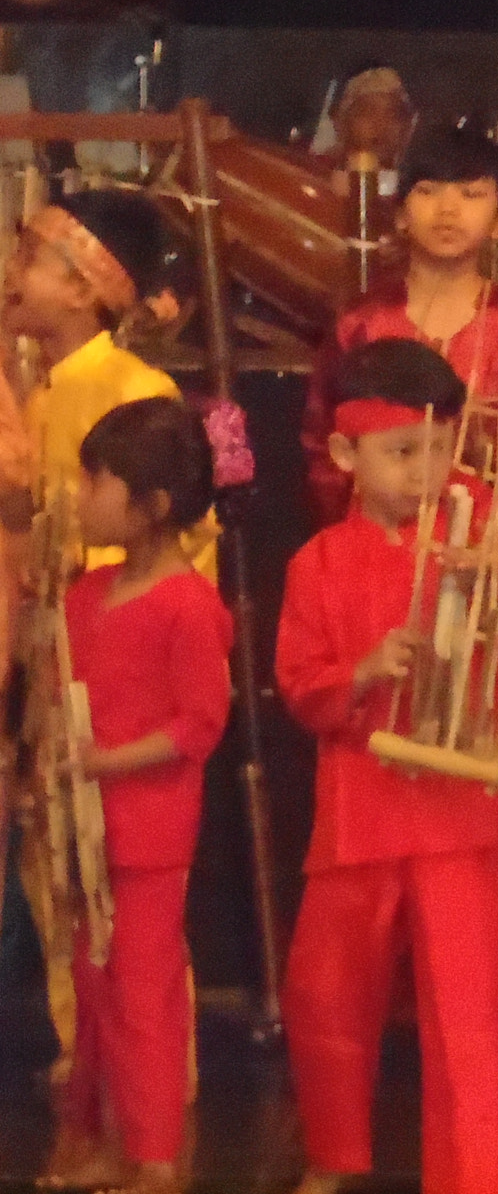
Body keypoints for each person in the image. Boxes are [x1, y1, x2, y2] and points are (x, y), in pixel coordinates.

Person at [276, 338, 498, 1194]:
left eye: (441, 447)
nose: (428, 470)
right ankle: (333, 1154)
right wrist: (362, 673)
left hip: (460, 807)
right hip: (360, 804)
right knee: (326, 994)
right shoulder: (318, 562)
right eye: (402, 451)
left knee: (468, 1013)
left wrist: (483, 585)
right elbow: (302, 689)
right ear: (346, 453)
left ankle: (480, 1176)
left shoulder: (486, 527)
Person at [2, 189, 194, 1087]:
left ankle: (149, 1074)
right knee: (57, 867)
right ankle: (90, 1059)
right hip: (48, 652)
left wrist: (61, 551)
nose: (13, 272)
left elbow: (175, 532)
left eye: (31, 258)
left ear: (82, 288)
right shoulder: (42, 386)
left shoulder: (133, 391)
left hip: (109, 665)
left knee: (115, 878)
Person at [41, 399, 231, 1194]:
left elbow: (199, 727)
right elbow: (62, 699)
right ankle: (99, 1140)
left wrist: (104, 761)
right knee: (92, 990)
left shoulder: (190, 606)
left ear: (150, 506)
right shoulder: (86, 597)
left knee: (143, 991)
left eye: (97, 482)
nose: (84, 497)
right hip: (86, 829)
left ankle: (154, 1154)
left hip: (148, 834)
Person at [300, 123, 498, 526]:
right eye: (428, 190)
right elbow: (323, 441)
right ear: (401, 214)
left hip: (482, 542)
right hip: (373, 538)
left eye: (471, 194)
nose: (448, 209)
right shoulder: (362, 323)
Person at [314, 66, 416, 178]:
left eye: (393, 115)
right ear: (344, 121)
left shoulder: (415, 190)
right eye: (368, 113)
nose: (381, 125)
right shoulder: (316, 172)